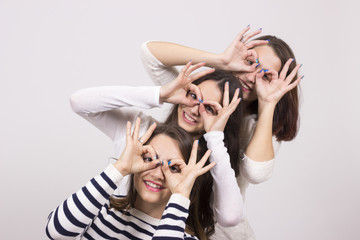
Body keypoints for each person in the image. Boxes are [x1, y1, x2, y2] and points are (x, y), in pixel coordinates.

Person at [140, 26, 303, 239]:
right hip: (163, 223)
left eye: (265, 75)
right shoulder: (194, 96)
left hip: (217, 232)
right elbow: (150, 54)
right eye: (251, 62)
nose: (252, 77)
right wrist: (221, 60)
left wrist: (268, 102)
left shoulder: (257, 126)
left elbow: (256, 172)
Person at [69, 62, 244, 233]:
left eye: (210, 109)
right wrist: (161, 94)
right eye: (193, 96)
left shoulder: (210, 163)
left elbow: (230, 217)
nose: (195, 109)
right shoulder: (143, 131)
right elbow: (78, 101)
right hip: (112, 229)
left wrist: (215, 135)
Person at [46, 120, 216, 240]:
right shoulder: (100, 208)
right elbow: (57, 232)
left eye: (173, 168)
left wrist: (180, 194)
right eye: (149, 159)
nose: (157, 174)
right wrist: (121, 168)